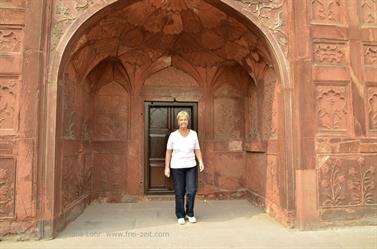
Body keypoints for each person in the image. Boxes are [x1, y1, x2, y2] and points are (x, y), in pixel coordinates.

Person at [164, 111, 205, 225]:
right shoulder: (173, 135)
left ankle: (190, 213)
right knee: (179, 192)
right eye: (181, 120)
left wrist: (200, 161)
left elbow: (197, 149)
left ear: (188, 121)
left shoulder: (193, 134)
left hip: (191, 166)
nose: (183, 122)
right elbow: (168, 152)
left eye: (185, 119)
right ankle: (180, 215)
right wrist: (166, 167)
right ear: (178, 122)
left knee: (192, 191)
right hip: (177, 167)